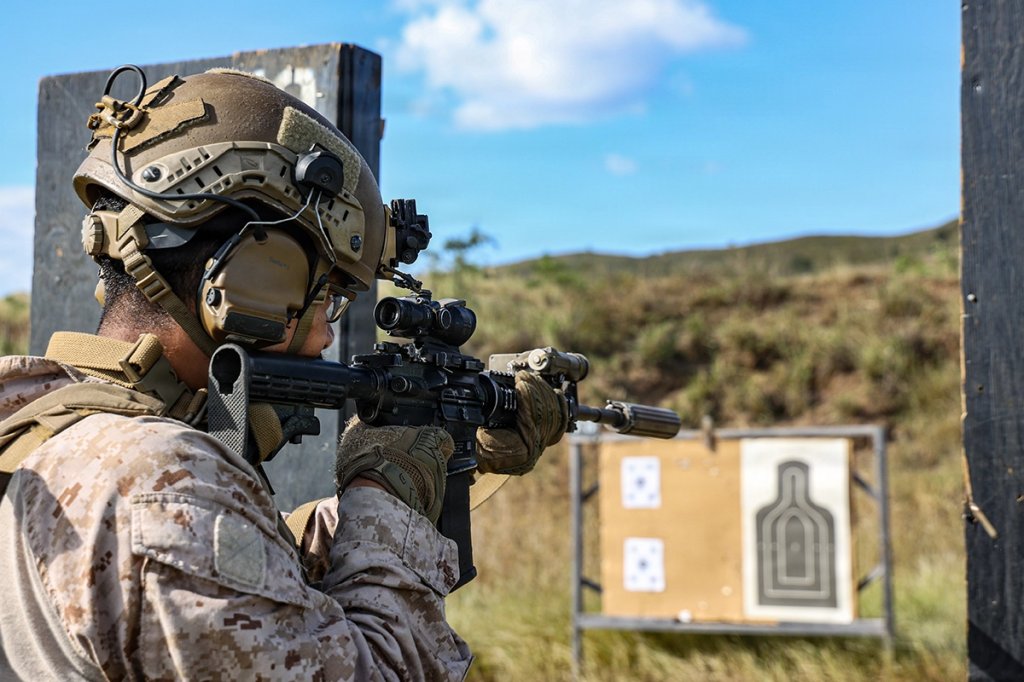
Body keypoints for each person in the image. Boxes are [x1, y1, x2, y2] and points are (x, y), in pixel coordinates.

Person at [0, 66, 567, 680]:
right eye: (326, 297)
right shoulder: (159, 478)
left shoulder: (45, 419)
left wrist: (432, 464)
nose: (325, 334)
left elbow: (244, 577)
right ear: (251, 275)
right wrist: (387, 498)